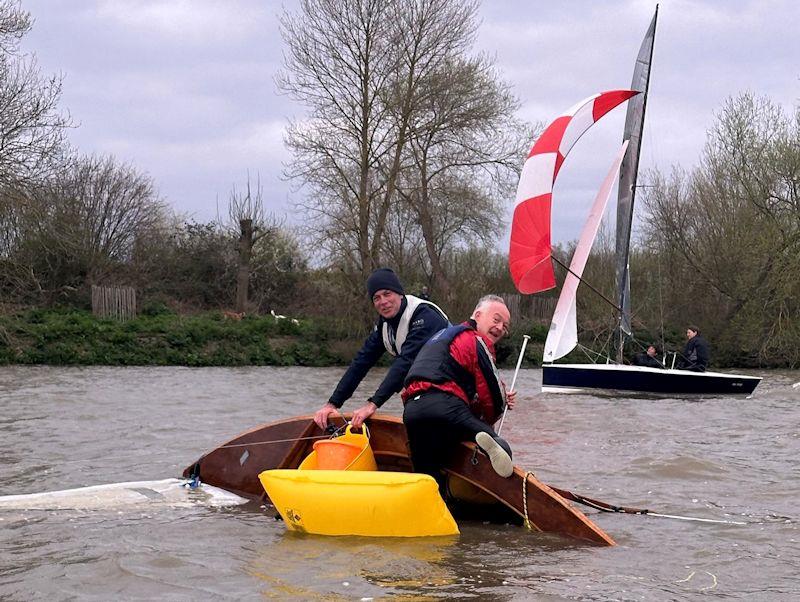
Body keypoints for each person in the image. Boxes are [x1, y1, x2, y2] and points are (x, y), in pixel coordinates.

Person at [313, 268, 449, 429]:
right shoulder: (384, 326)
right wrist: (332, 403)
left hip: (455, 385)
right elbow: (360, 363)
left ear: (400, 293)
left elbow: (405, 363)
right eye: (376, 298)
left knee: (417, 415)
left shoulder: (425, 316)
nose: (383, 301)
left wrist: (372, 404)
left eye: (387, 294)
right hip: (426, 388)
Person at [401, 295, 517, 483]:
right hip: (446, 407)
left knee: (428, 476)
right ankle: (489, 447)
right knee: (500, 447)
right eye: (496, 320)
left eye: (505, 326)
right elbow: (492, 399)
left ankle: (437, 500)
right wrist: (498, 409)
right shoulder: (476, 340)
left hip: (412, 412)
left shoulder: (439, 338)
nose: (500, 328)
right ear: (477, 315)